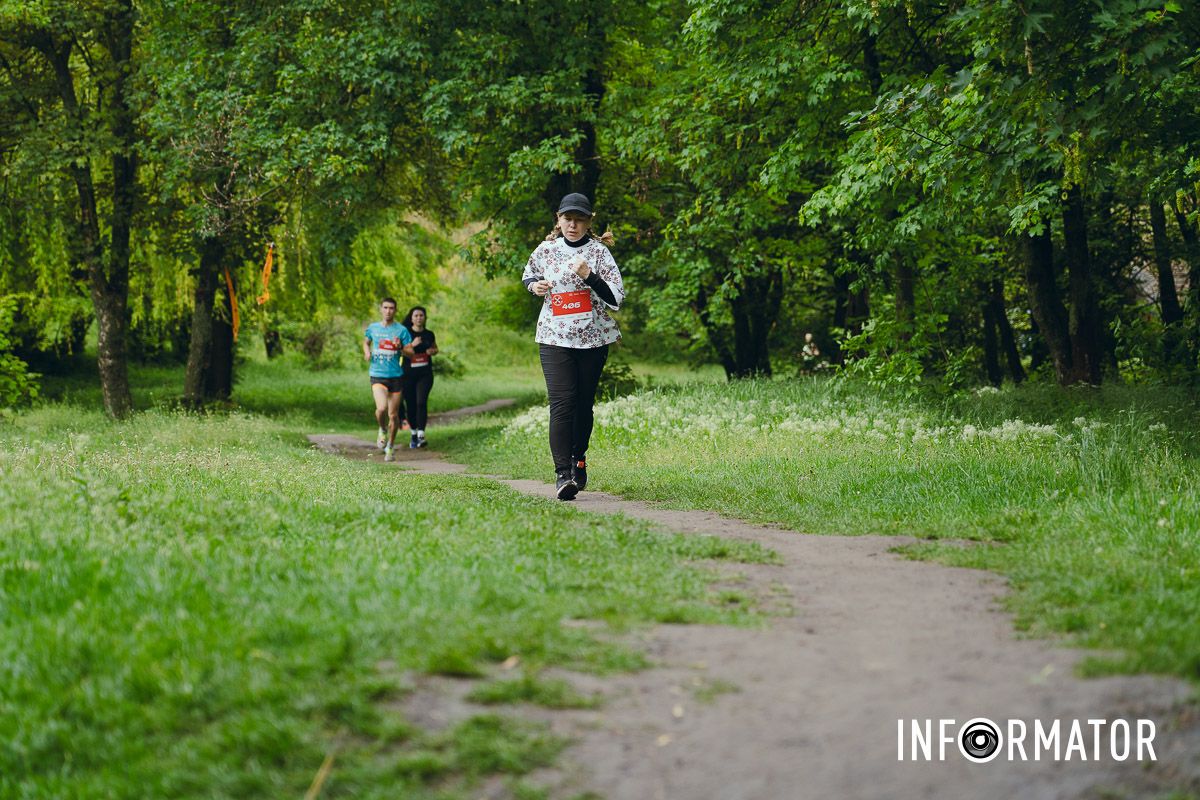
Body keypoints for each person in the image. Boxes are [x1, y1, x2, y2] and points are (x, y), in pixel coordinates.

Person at [522, 192, 624, 500]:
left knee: (582, 403)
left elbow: (616, 298)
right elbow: (529, 276)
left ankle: (579, 456)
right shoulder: (546, 250)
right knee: (562, 403)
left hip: (593, 338)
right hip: (554, 337)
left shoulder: (598, 253)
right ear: (558, 219)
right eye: (567, 219)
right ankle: (562, 475)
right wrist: (534, 286)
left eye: (579, 220)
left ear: (588, 221)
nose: (573, 225)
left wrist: (589, 276)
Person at [363, 297, 415, 461]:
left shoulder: (401, 330)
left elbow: (411, 353)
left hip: (396, 377)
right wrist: (366, 351)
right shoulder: (373, 328)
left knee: (394, 416)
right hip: (377, 374)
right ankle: (382, 428)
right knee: (381, 409)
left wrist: (400, 347)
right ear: (381, 309)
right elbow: (366, 342)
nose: (388, 311)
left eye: (391, 308)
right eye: (385, 307)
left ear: (395, 310)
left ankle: (390, 447)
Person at [401, 305, 439, 448]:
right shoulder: (405, 333)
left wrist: (432, 351)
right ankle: (413, 433)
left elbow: (436, 348)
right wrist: (412, 344)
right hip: (408, 374)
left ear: (424, 318)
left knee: (421, 402)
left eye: (421, 316)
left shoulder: (429, 334)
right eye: (416, 316)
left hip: (425, 374)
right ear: (411, 318)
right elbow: (401, 351)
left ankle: (421, 435)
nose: (418, 318)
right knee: (410, 404)